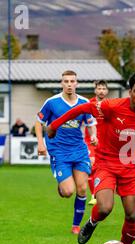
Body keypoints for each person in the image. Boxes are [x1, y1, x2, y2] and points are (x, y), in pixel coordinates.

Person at [46, 71, 135, 244]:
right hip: (106, 163)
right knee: (105, 208)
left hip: (130, 168)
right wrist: (54, 125)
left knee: (131, 214)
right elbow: (82, 109)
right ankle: (92, 222)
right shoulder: (111, 106)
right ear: (129, 92)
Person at [35, 70, 97, 234]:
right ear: (61, 83)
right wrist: (41, 143)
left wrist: (94, 136)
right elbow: (38, 122)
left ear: (77, 83)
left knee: (82, 189)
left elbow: (90, 124)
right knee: (68, 192)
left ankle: (76, 226)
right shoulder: (52, 102)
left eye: (72, 81)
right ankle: (62, 186)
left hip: (79, 150)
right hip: (59, 151)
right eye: (66, 81)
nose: (69, 84)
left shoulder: (84, 103)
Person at [84, 80, 109, 205]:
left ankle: (102, 192)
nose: (101, 91)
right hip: (90, 141)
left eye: (104, 89)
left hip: (106, 142)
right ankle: (93, 195)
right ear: (95, 90)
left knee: (104, 168)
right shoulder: (89, 103)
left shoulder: (110, 104)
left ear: (107, 91)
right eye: (99, 88)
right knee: (92, 165)